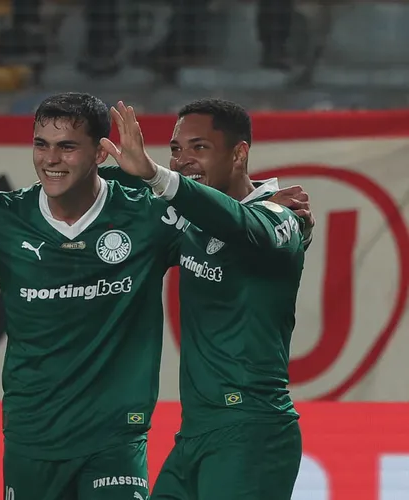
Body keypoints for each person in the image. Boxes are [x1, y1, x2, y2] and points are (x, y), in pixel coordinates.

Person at [0, 92, 309, 499]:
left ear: (100, 153)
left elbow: (232, 216)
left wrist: (271, 214)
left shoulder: (152, 217)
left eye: (67, 146)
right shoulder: (2, 219)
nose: (52, 159)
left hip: (129, 438)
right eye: (41, 145)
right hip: (36, 437)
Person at [101, 99, 307, 500]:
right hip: (194, 433)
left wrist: (155, 175)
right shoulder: (189, 217)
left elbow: (244, 225)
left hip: (252, 429)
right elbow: (128, 188)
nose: (183, 160)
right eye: (176, 149)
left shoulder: (282, 218)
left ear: (239, 153)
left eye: (199, 147)